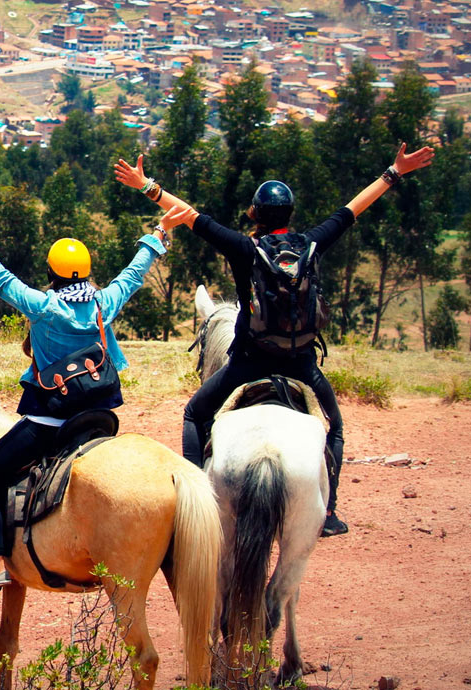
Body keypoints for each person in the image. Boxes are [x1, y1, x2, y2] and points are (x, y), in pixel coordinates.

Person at [115, 142, 436, 537]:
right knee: (334, 427)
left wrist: (146, 185)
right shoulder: (312, 243)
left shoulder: (244, 248)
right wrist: (394, 171)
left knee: (195, 415)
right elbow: (352, 209)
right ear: (290, 214)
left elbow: (191, 215)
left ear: (256, 213)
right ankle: (328, 513)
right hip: (301, 364)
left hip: (249, 362)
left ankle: (197, 505)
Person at [0, 202, 169, 594]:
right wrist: (158, 234)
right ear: (86, 271)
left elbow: (0, 278)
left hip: (50, 422)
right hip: (99, 417)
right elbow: (133, 273)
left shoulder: (44, 307)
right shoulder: (104, 303)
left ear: (51, 274)